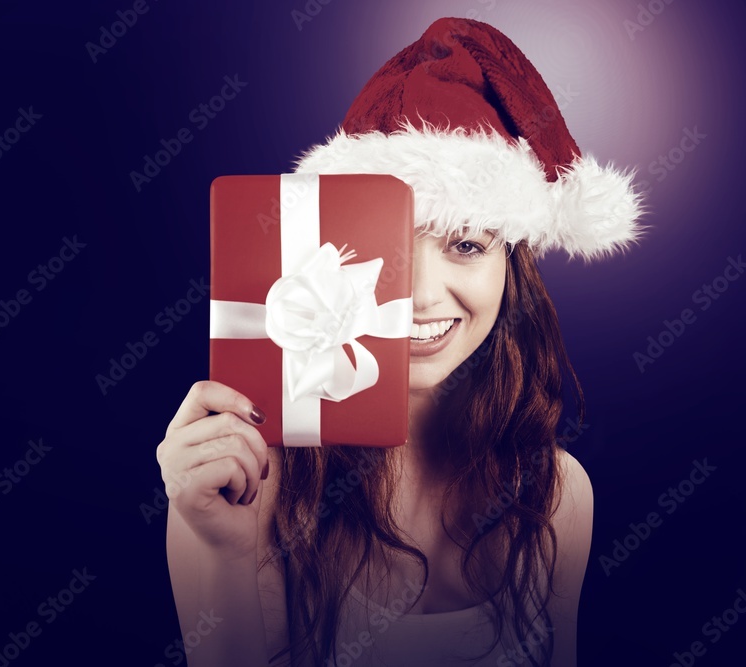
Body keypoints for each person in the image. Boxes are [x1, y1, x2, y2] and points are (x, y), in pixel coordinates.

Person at [157, 17, 646, 667]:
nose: (418, 295)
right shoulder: (240, 484)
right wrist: (225, 556)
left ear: (512, 271)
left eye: (466, 244)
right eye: (389, 244)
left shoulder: (557, 497)